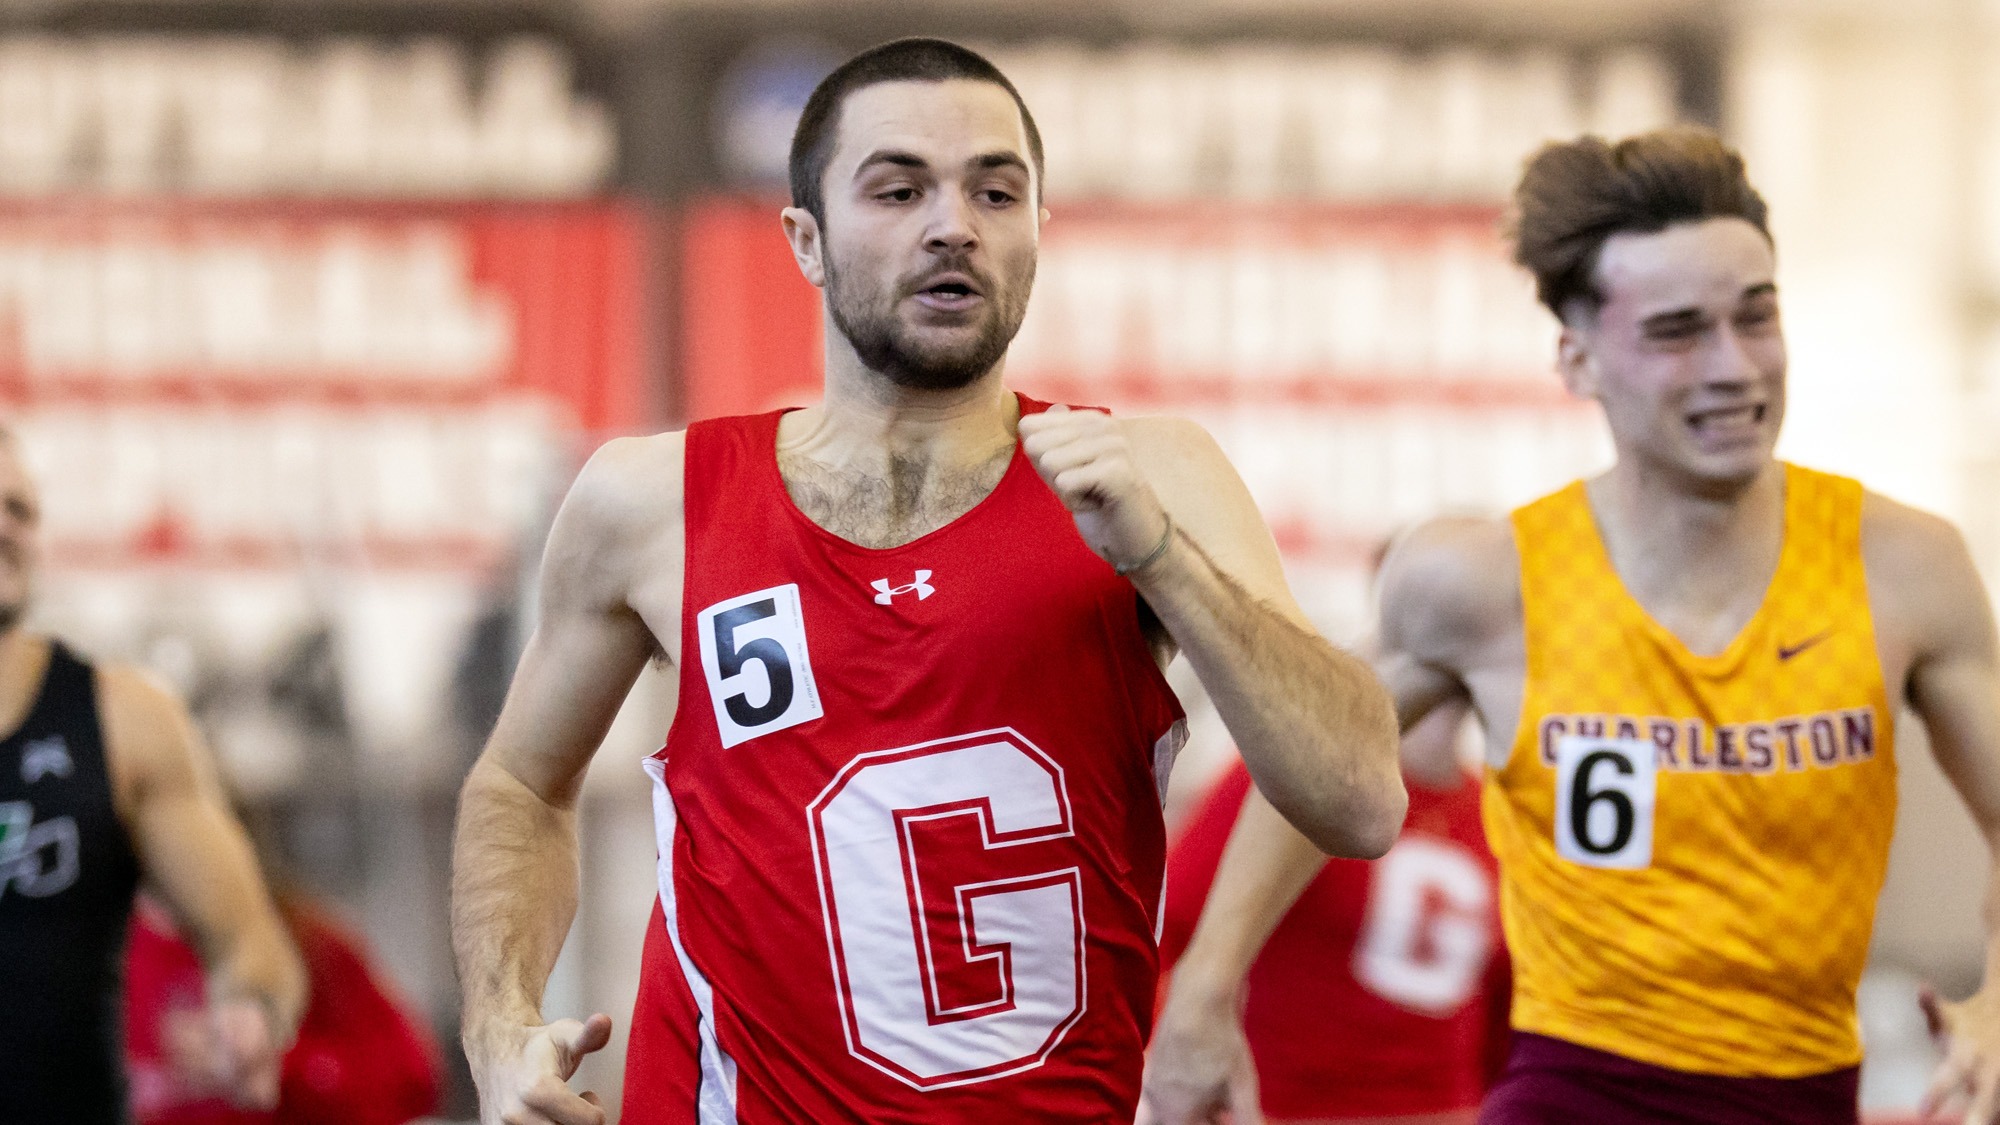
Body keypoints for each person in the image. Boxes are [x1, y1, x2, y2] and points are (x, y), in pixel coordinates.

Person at [449, 35, 1403, 1125]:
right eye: (898, 189)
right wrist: (497, 1031)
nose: (953, 223)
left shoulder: (1152, 473)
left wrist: (1158, 558)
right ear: (804, 240)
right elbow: (520, 786)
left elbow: (1360, 800)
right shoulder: (652, 502)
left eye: (995, 191)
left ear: (1037, 232)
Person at [1143, 126, 2000, 1125]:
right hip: (1573, 1089)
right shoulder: (1482, 581)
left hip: (1806, 1092)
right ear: (1577, 357)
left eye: (1754, 317)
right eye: (1677, 331)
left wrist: (1987, 1015)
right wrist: (1204, 996)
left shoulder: (1903, 567)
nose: (1731, 366)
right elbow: (1318, 769)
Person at [0, 430, 306, 1122]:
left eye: (18, 508)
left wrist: (249, 1007)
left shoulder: (125, 719)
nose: (4, 525)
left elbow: (248, 937)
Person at [1158, 697, 1508, 1125]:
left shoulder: (1497, 813)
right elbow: (1166, 923)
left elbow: (1507, 1004)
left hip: (1450, 1109)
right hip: (1290, 1108)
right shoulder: (1305, 774)